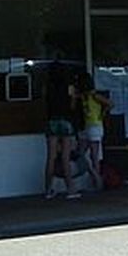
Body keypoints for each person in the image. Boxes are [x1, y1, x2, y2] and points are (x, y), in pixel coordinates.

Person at [43, 59, 77, 199]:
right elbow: (73, 106)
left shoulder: (47, 87)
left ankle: (48, 189)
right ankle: (70, 189)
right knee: (65, 157)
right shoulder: (69, 87)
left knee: (51, 157)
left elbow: (45, 103)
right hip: (66, 121)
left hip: (52, 121)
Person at [75, 70, 112, 192]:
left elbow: (110, 104)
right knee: (81, 153)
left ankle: (97, 182)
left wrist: (102, 114)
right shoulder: (82, 96)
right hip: (86, 125)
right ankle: (95, 177)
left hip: (95, 125)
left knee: (93, 155)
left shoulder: (94, 95)